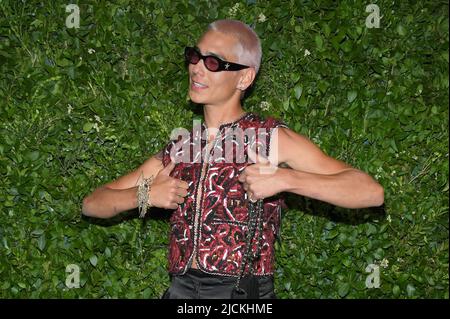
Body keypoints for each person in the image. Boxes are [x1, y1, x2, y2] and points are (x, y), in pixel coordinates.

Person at [82, 19, 384, 299]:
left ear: (245, 78)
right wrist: (145, 194)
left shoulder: (269, 138)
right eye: (194, 56)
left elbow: (370, 192)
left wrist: (287, 179)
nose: (197, 69)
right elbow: (93, 203)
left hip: (242, 293)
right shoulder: (182, 147)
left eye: (213, 62)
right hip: (180, 293)